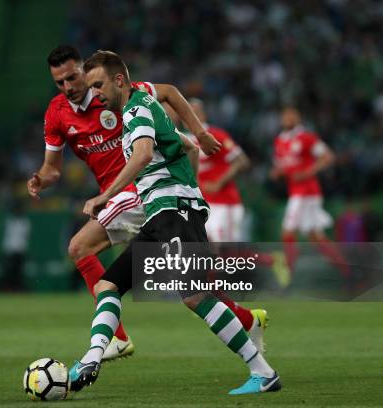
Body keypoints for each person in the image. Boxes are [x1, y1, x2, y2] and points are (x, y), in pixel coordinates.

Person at [69, 51, 281, 395]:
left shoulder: (137, 109)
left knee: (195, 296)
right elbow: (186, 144)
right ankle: (92, 357)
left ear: (119, 80)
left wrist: (104, 195)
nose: (95, 93)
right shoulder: (142, 110)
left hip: (173, 211)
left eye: (99, 84)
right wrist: (194, 146)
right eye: (90, 87)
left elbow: (140, 156)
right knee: (108, 286)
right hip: (159, 215)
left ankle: (263, 371)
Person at [26, 45, 221, 361]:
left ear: (84, 70)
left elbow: (169, 93)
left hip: (134, 189)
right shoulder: (56, 113)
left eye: (73, 77)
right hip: (126, 195)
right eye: (59, 82)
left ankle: (115, 338)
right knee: (183, 277)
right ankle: (243, 318)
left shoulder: (117, 93)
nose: (68, 87)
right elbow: (52, 169)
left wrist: (198, 131)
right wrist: (41, 179)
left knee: (81, 248)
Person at [187, 98, 269, 352]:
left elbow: (242, 161)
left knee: (218, 251)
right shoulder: (183, 139)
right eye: (190, 110)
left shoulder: (215, 134)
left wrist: (220, 181)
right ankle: (219, 301)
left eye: (197, 110)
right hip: (205, 205)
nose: (193, 114)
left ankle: (268, 263)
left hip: (226, 203)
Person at [270, 107, 350, 286]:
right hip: (297, 191)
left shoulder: (307, 137)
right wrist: (278, 172)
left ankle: (287, 277)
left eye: (292, 115)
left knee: (288, 230)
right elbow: (283, 165)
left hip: (307, 192)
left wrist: (308, 171)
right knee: (316, 237)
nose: (288, 118)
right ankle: (348, 274)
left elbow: (328, 156)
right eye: (285, 115)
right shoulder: (280, 141)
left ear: (298, 118)